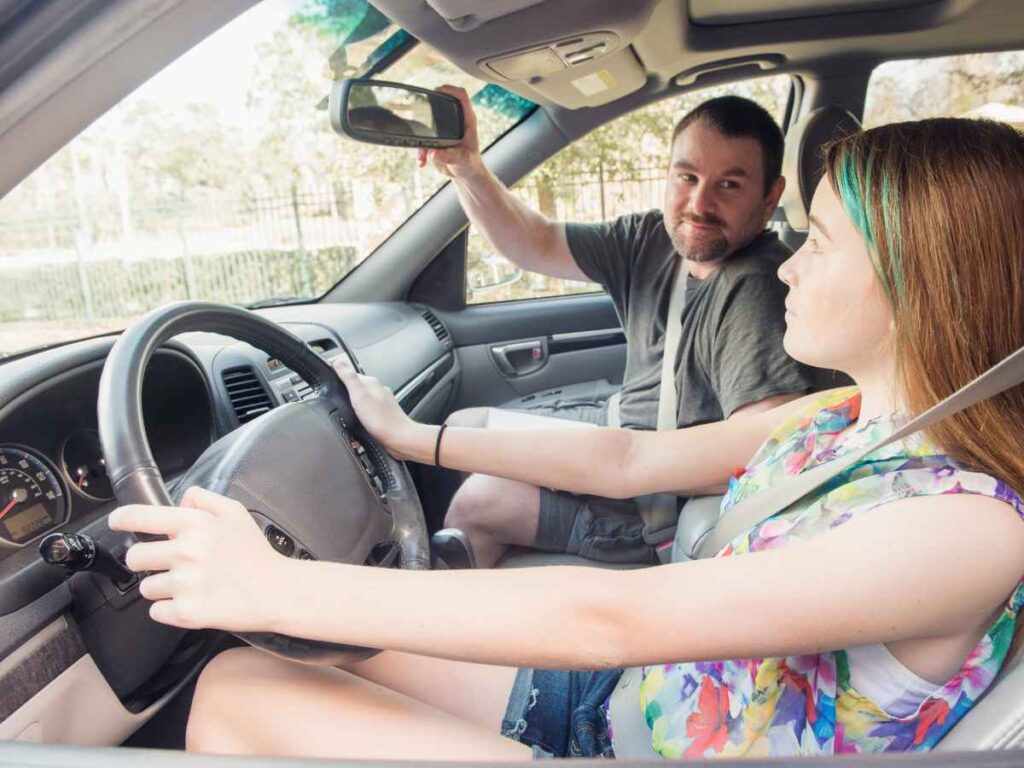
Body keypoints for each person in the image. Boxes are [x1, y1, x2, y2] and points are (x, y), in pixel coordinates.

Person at [110, 118, 1024, 761]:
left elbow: (611, 619)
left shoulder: (968, 527)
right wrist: (414, 435)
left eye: (818, 243)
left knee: (241, 692)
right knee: (292, 648)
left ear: (924, 279)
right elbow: (624, 462)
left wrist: (275, 580)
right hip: (636, 699)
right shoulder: (840, 418)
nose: (785, 262)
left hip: (639, 735)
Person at [427, 90, 824, 568]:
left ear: (770, 198)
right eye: (688, 177)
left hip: (652, 503)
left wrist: (602, 467)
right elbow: (538, 242)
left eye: (729, 185)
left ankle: (456, 636)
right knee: (464, 431)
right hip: (621, 435)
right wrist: (468, 167)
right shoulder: (652, 240)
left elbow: (761, 455)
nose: (699, 204)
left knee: (476, 504)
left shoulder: (756, 290)